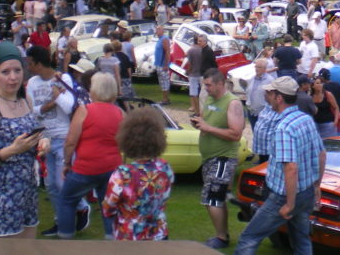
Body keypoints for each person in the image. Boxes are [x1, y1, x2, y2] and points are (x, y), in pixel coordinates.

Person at [235, 76, 326, 254]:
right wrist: (316, 186)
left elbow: (290, 168)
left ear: (279, 98)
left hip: (284, 197)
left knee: (249, 237)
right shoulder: (305, 119)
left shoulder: (284, 127)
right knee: (301, 240)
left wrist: (289, 204)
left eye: (270, 93)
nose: (267, 96)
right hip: (306, 191)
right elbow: (322, 154)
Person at [0, 42, 50, 238]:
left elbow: (30, 136)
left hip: (27, 194)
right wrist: (12, 150)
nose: (13, 77)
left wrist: (42, 142)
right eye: (5, 72)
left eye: (17, 70)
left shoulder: (25, 101)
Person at [25, 45, 90, 236]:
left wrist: (57, 97)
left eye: (30, 63)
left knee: (63, 183)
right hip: (44, 139)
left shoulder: (63, 78)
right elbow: (32, 111)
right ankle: (60, 220)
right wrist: (50, 104)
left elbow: (70, 107)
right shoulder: (32, 83)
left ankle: (82, 207)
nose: (28, 67)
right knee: (52, 186)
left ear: (38, 63)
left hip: (63, 138)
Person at [58, 72, 124, 239]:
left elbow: (71, 141)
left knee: (66, 199)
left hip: (86, 167)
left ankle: (65, 238)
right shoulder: (120, 113)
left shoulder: (84, 110)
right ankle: (112, 240)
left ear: (93, 90)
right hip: (111, 167)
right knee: (108, 204)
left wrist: (66, 163)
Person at [189, 68, 245, 249]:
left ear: (220, 83)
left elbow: (236, 134)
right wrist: (199, 122)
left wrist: (208, 128)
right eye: (204, 85)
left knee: (212, 198)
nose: (206, 89)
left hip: (222, 157)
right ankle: (223, 232)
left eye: (209, 85)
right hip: (209, 157)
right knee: (216, 197)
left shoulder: (232, 103)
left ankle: (221, 238)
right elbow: (207, 122)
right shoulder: (210, 99)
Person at [102, 107, 174, 240]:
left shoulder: (123, 174)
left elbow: (108, 208)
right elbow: (164, 198)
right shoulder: (165, 168)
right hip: (159, 234)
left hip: (130, 236)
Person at [184, 35, 203, 114]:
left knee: (194, 93)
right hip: (202, 74)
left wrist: (187, 71)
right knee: (203, 93)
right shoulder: (203, 50)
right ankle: (202, 110)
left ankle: (196, 111)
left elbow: (190, 64)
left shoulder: (191, 50)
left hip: (193, 74)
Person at [153, 25, 171, 105]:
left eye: (159, 30)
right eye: (156, 30)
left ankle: (165, 99)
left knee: (164, 82)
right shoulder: (159, 39)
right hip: (158, 64)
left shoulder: (164, 39)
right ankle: (165, 98)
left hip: (162, 64)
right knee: (162, 82)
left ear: (162, 31)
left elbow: (167, 51)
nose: (157, 31)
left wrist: (166, 64)